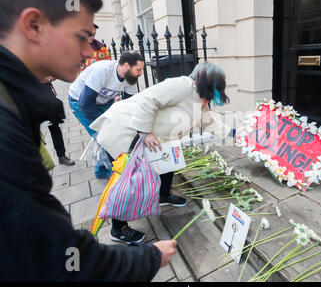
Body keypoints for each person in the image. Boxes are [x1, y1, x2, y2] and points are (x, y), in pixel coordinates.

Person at [0, 0, 177, 281]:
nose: (88, 52)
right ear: (34, 25)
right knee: (104, 139)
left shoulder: (16, 104)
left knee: (109, 141)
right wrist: (149, 257)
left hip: (98, 104)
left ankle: (101, 164)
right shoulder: (7, 130)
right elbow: (60, 257)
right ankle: (108, 180)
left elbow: (124, 102)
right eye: (82, 37)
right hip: (82, 104)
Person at [90, 62, 235, 243]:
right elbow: (148, 99)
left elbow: (208, 120)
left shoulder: (200, 96)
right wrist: (144, 131)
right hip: (125, 130)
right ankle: (118, 229)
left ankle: (163, 195)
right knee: (127, 182)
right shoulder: (182, 85)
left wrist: (233, 133)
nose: (212, 98)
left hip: (159, 139)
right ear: (205, 83)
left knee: (169, 163)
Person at [68, 51, 144, 179]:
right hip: (80, 101)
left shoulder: (131, 78)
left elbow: (131, 105)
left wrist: (140, 128)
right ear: (126, 66)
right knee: (105, 137)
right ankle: (113, 171)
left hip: (103, 100)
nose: (141, 73)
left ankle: (104, 168)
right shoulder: (103, 71)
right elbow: (85, 103)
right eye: (138, 70)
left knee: (116, 131)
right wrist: (104, 129)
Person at [43, 76, 75, 166]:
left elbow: (53, 76)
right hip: (32, 102)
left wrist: (48, 79)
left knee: (55, 129)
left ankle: (61, 156)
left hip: (49, 100)